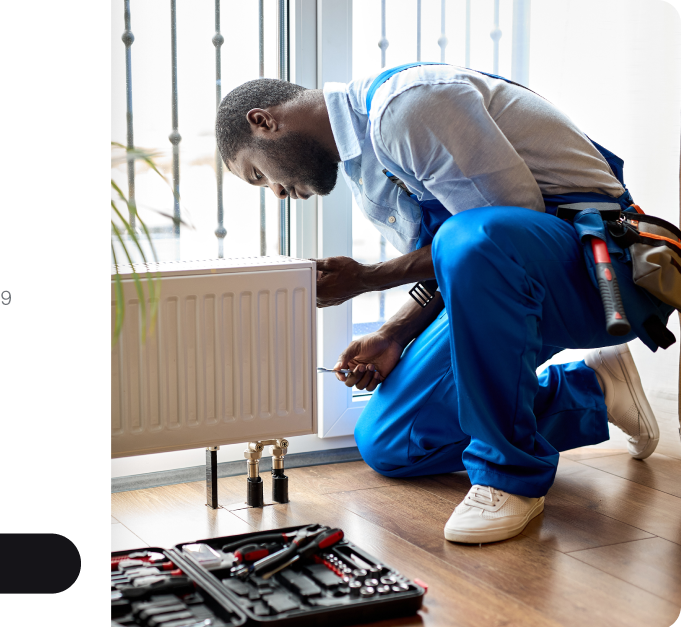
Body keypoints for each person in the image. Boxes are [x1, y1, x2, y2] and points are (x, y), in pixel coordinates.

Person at [215, 64, 672, 544]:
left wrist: (369, 278)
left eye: (258, 175)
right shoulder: (365, 171)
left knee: (473, 236)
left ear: (263, 121)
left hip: (607, 278)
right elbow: (457, 265)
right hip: (515, 280)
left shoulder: (406, 107)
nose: (279, 192)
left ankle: (509, 477)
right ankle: (594, 390)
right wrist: (393, 334)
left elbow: (497, 231)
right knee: (390, 443)